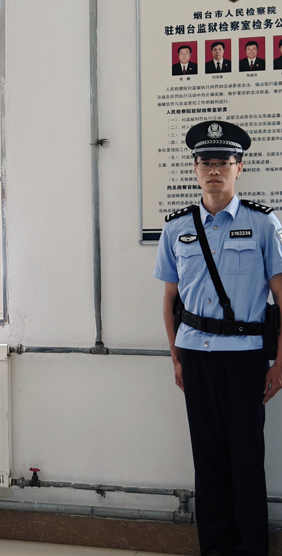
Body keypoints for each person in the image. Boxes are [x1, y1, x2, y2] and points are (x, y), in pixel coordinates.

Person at [154, 120, 282, 556]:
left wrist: (280, 364)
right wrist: (176, 357)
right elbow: (170, 300)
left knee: (246, 458)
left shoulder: (263, 224)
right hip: (196, 355)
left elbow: (281, 299)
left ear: (238, 167)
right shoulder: (176, 228)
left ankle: (250, 549)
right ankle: (215, 547)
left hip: (245, 358)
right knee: (207, 458)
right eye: (206, 162)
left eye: (223, 162)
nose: (214, 170)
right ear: (195, 168)